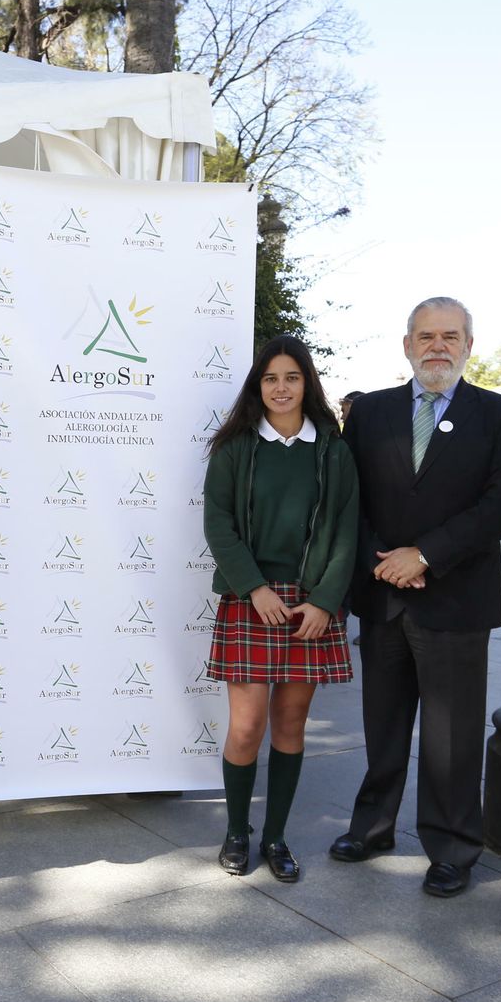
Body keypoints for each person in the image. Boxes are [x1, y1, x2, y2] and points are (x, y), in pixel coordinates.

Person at [329, 297, 501, 898]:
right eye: (425, 335)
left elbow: (500, 504)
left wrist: (428, 555)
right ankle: (374, 827)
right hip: (384, 594)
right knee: (383, 723)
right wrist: (383, 563)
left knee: (452, 733)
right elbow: (348, 497)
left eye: (450, 335)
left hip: (456, 596)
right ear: (406, 344)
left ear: (469, 343)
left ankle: (451, 847)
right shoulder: (370, 412)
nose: (437, 346)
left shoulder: (500, 415)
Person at [202, 336, 358, 883]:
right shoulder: (236, 448)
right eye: (271, 378)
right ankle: (238, 832)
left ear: (307, 383)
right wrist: (253, 589)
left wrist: (324, 602)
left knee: (291, 725)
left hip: (310, 606)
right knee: (246, 728)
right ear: (257, 386)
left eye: (292, 377)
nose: (282, 388)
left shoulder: (332, 451)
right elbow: (217, 524)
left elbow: (345, 531)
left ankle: (276, 837)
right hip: (253, 602)